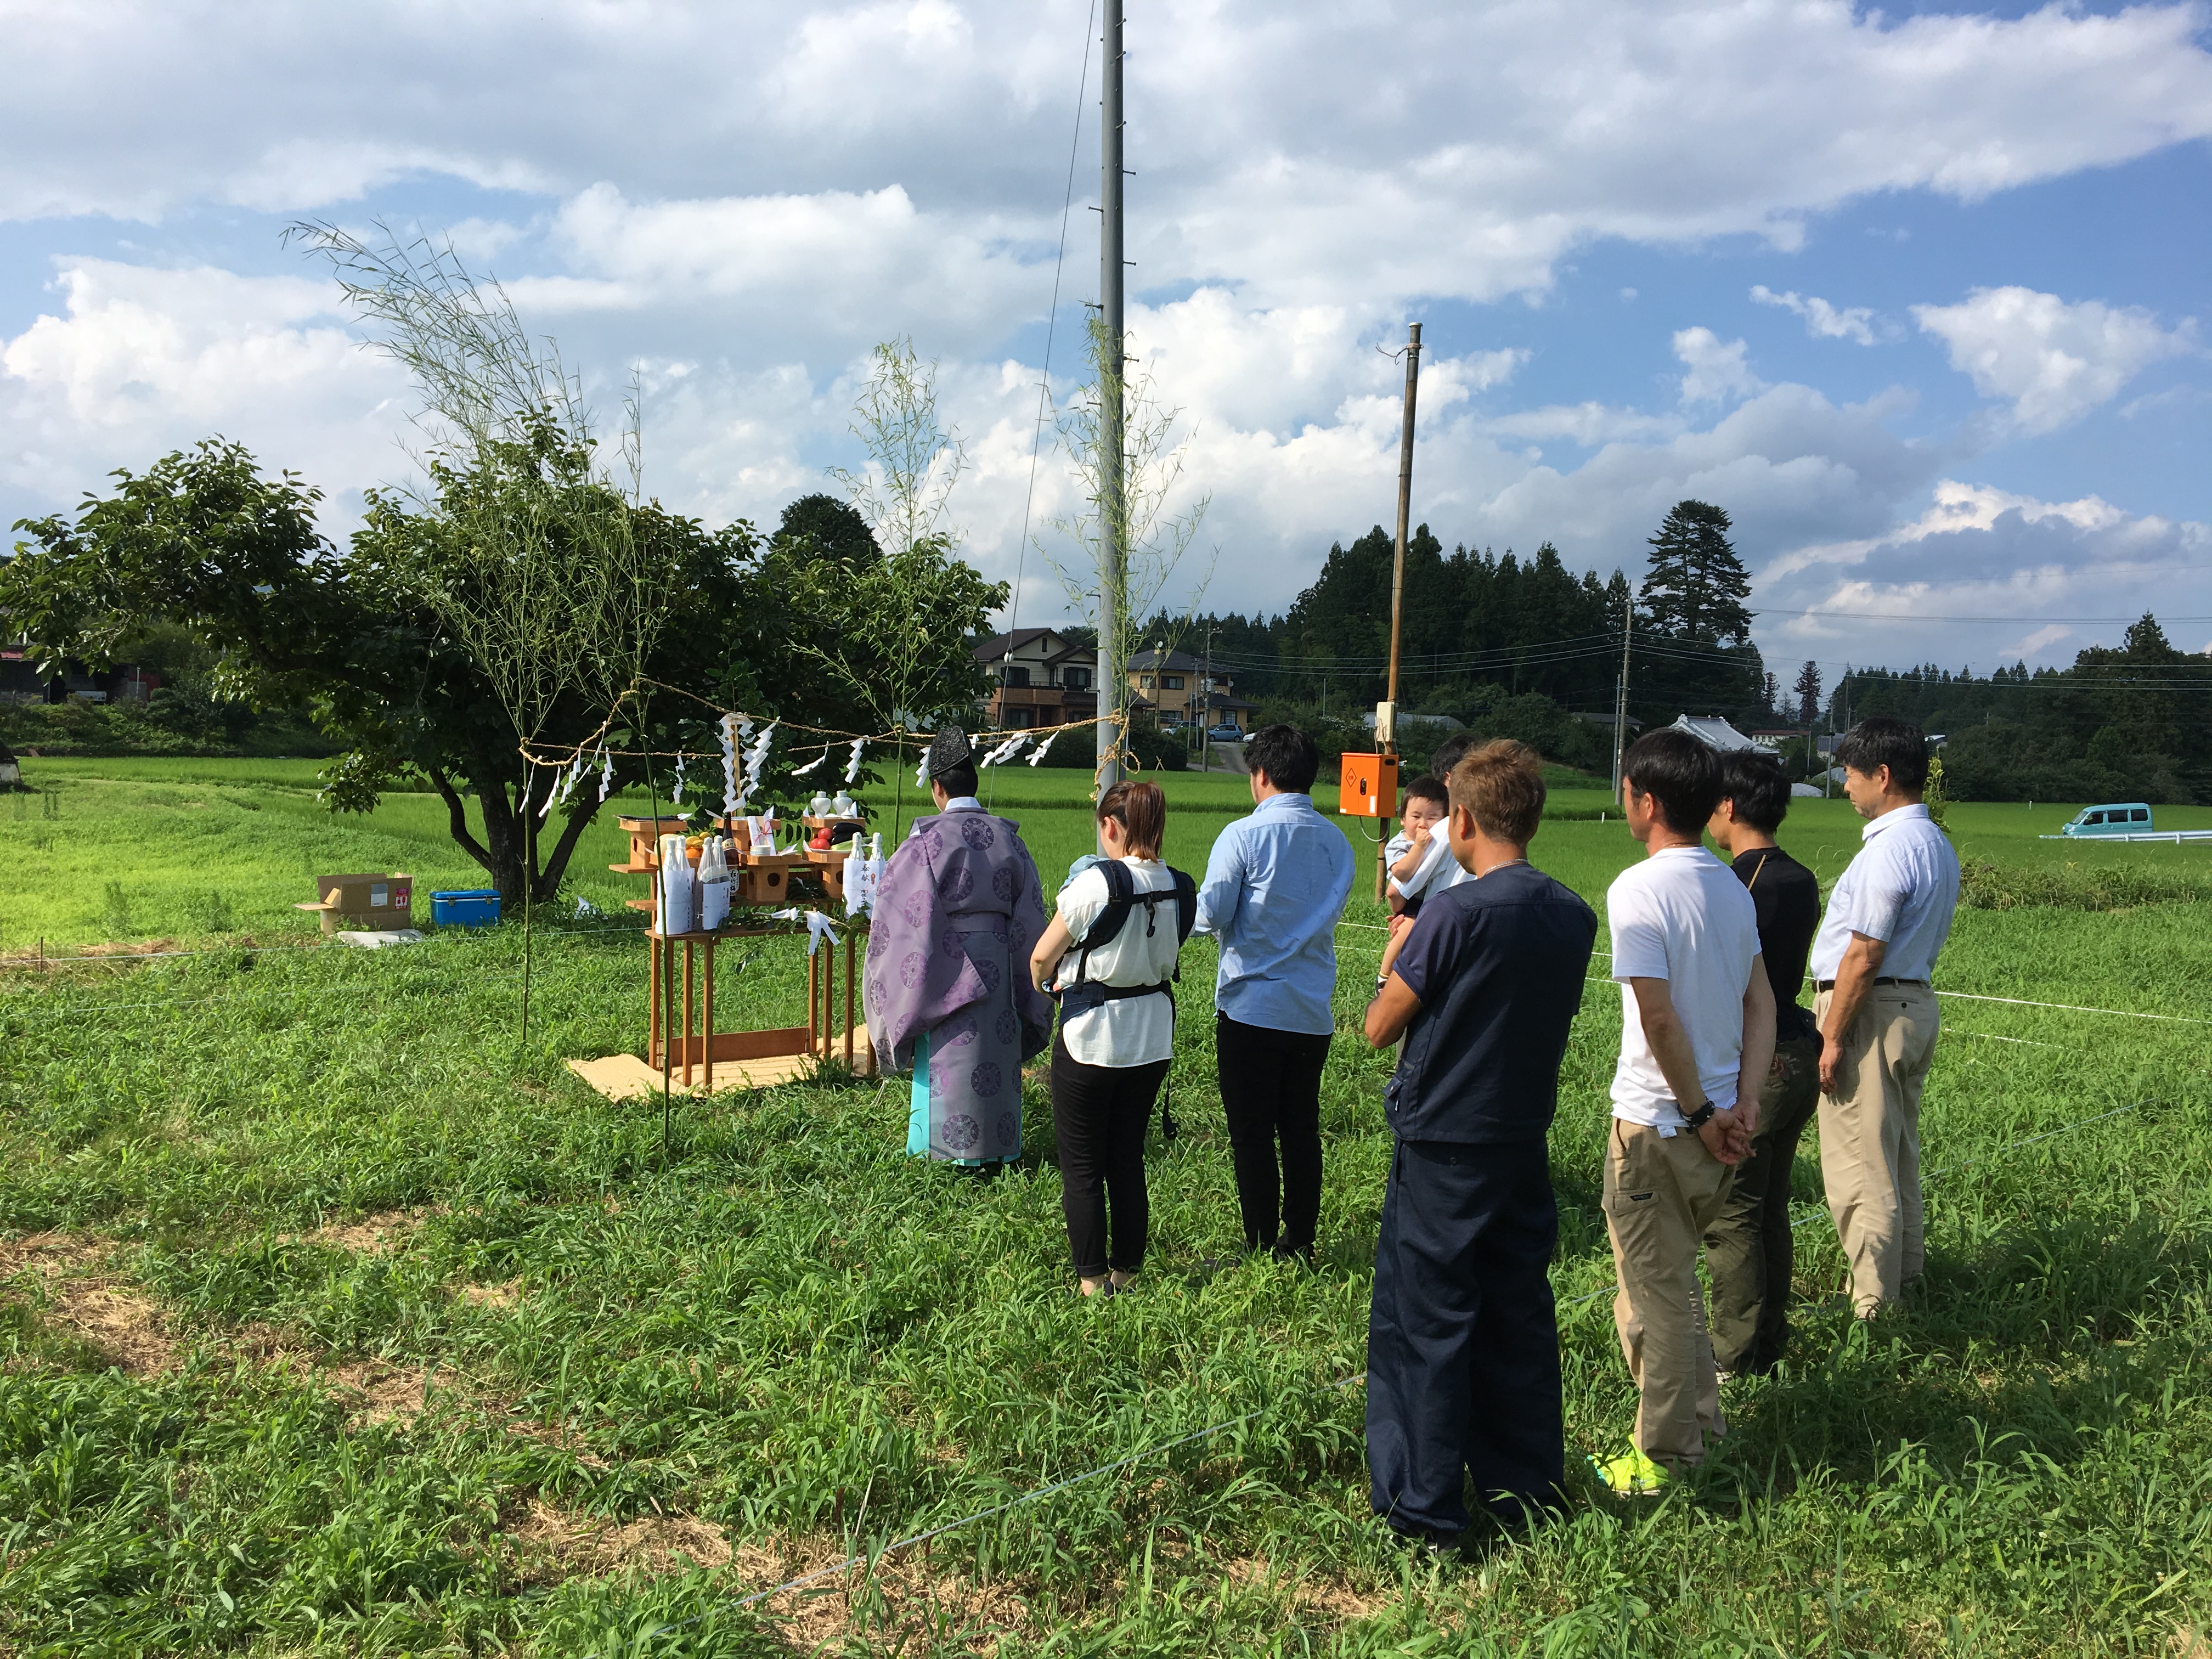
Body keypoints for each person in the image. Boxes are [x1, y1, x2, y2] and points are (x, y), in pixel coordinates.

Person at [1362, 740, 1596, 1547]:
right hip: (1521, 1131)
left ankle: (1422, 1505)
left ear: (1461, 818)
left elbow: (1379, 1024)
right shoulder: (1571, 912)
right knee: (1518, 1313)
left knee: (1425, 1322)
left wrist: (1398, 954)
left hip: (1442, 1142)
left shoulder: (1456, 912)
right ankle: (1525, 1489)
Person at [1593, 729, 1775, 1496]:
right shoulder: (1732, 887)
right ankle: (1703, 1422)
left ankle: (1666, 1459)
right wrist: (1746, 1103)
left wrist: (1703, 1110)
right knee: (1667, 1286)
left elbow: (1658, 1019)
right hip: (1715, 1125)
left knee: (1656, 1297)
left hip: (1661, 1123)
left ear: (1648, 800)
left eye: (1628, 789)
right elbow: (1761, 1002)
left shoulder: (1638, 890)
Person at [1810, 716, 1960, 1318]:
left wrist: (1831, 1035)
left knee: (1860, 1161)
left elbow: (1864, 952)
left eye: (1849, 774)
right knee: (1895, 1153)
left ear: (1883, 775)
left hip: (1870, 1009)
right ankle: (1906, 1277)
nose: (1846, 787)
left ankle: (1874, 1304)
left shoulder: (1888, 849)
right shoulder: (1935, 842)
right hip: (1913, 1003)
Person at [1193, 724, 1356, 1262]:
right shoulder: (1338, 842)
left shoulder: (1242, 837)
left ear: (1260, 775)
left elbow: (1211, 913)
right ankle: (1300, 1241)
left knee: (1252, 1134)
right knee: (1301, 1128)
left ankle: (1262, 1246)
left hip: (1250, 1009)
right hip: (1311, 1009)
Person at [864, 727, 1057, 1169]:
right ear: (971, 782)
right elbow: (1030, 916)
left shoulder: (924, 844)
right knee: (996, 1055)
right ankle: (1002, 1147)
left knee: (949, 1056)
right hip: (1003, 966)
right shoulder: (1011, 839)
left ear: (937, 787)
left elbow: (902, 921)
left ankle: (942, 1152)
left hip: (944, 967)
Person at [1029, 782, 1191, 1299]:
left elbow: (1041, 956)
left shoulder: (1096, 885)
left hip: (1091, 1038)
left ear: (1112, 827)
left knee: (1081, 1166)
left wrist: (1043, 983)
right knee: (1126, 1157)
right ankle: (1127, 1271)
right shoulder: (1179, 888)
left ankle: (1092, 1282)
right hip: (1151, 1039)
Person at [1701, 751, 1824, 1376]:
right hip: (1800, 1051)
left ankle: (1734, 1354)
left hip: (1761, 1059)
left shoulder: (1738, 882)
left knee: (1734, 1214)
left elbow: (1732, 986)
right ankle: (1770, 1338)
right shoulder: (1800, 877)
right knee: (1771, 1205)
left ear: (1728, 806)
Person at [1383, 774, 1449, 918]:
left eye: (1432, 818)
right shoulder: (1398, 845)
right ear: (1403, 819)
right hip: (1410, 903)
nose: (1423, 824)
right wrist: (1419, 846)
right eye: (1416, 817)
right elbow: (1401, 874)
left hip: (1436, 900)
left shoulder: (1444, 839)